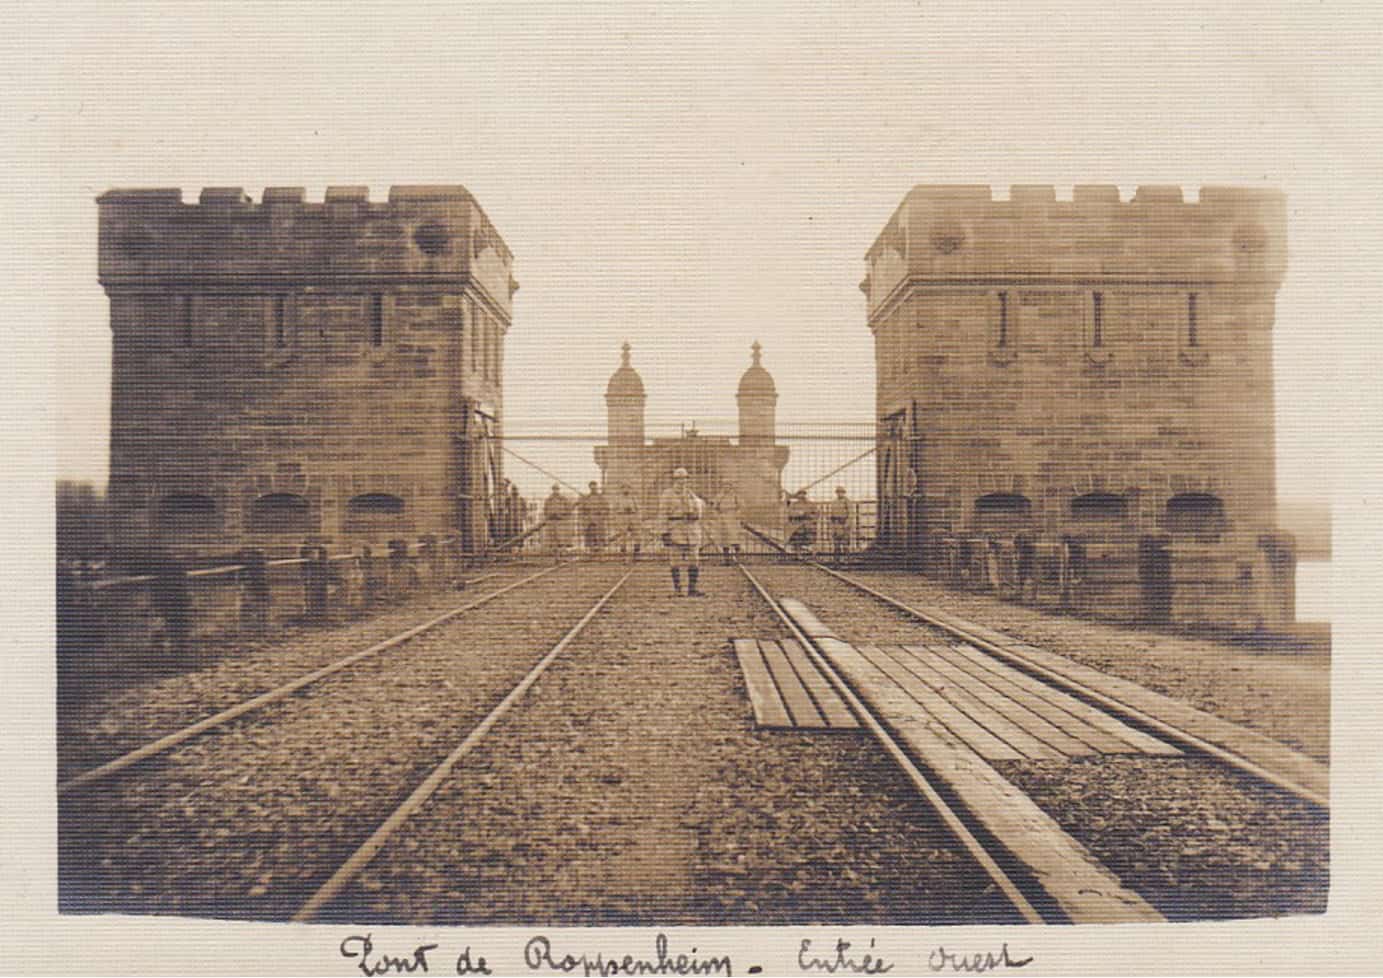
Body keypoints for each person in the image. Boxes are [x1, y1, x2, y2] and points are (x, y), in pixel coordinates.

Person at [658, 467, 705, 596]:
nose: (681, 481)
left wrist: (696, 514)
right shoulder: (667, 494)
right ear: (674, 480)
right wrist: (664, 533)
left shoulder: (691, 494)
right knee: (675, 560)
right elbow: (662, 514)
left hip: (691, 529)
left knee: (694, 559)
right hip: (675, 529)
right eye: (678, 479)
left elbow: (701, 509)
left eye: (684, 478)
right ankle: (677, 590)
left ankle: (692, 589)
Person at [711, 481, 743, 565]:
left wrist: (738, 514)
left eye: (728, 486)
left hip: (733, 519)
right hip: (722, 519)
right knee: (724, 540)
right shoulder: (719, 496)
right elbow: (714, 507)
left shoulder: (735, 496)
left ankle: (738, 557)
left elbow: (740, 506)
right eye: (724, 486)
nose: (726, 487)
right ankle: (726, 559)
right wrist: (717, 515)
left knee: (735, 539)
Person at [609, 482, 642, 560]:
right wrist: (616, 518)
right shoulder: (617, 498)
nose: (626, 490)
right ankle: (623, 556)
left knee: (637, 535)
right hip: (622, 517)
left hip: (633, 517)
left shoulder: (633, 498)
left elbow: (638, 509)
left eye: (627, 488)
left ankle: (636, 554)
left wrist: (637, 517)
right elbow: (614, 510)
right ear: (621, 490)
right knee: (622, 537)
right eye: (624, 488)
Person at [542, 484, 574, 561]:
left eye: (556, 489)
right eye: (554, 489)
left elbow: (569, 510)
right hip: (552, 521)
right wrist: (549, 516)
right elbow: (545, 511)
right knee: (553, 539)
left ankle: (563, 556)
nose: (555, 491)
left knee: (562, 540)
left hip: (561, 521)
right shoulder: (548, 500)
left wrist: (563, 516)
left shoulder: (563, 499)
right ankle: (556, 557)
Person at [579, 481, 609, 554]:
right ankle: (591, 552)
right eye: (591, 487)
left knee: (600, 535)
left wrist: (602, 513)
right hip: (589, 519)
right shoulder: (586, 498)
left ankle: (600, 553)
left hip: (599, 519)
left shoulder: (601, 498)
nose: (593, 488)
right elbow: (581, 509)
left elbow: (607, 508)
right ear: (590, 488)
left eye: (594, 487)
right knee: (590, 535)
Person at [786, 489, 817, 556]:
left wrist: (808, 515)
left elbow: (816, 514)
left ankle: (811, 554)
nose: (802, 495)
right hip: (798, 526)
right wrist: (799, 514)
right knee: (797, 541)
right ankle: (798, 554)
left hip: (808, 525)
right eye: (800, 494)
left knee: (810, 540)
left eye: (803, 494)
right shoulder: (794, 504)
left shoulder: (811, 504)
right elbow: (790, 514)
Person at [828, 486, 853, 565]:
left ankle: (846, 561)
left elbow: (850, 514)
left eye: (841, 492)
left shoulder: (847, 501)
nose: (839, 494)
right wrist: (832, 525)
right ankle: (837, 561)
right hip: (836, 525)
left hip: (844, 524)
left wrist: (847, 524)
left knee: (845, 544)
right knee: (836, 544)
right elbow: (831, 514)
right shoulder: (834, 502)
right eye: (838, 492)